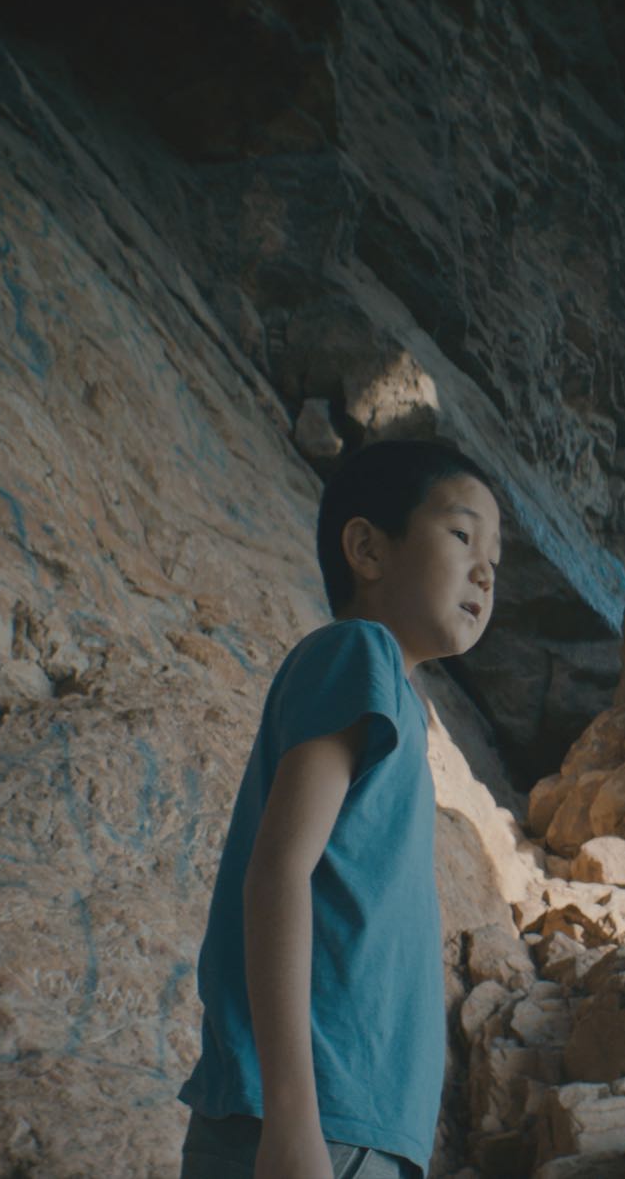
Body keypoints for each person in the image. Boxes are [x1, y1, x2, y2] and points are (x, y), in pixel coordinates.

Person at [177, 439, 502, 1179]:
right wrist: (293, 1118)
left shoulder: (396, 699)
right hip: (312, 1124)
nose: (485, 571)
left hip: (359, 1131)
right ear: (368, 549)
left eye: (496, 560)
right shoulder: (360, 653)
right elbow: (278, 872)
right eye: (462, 535)